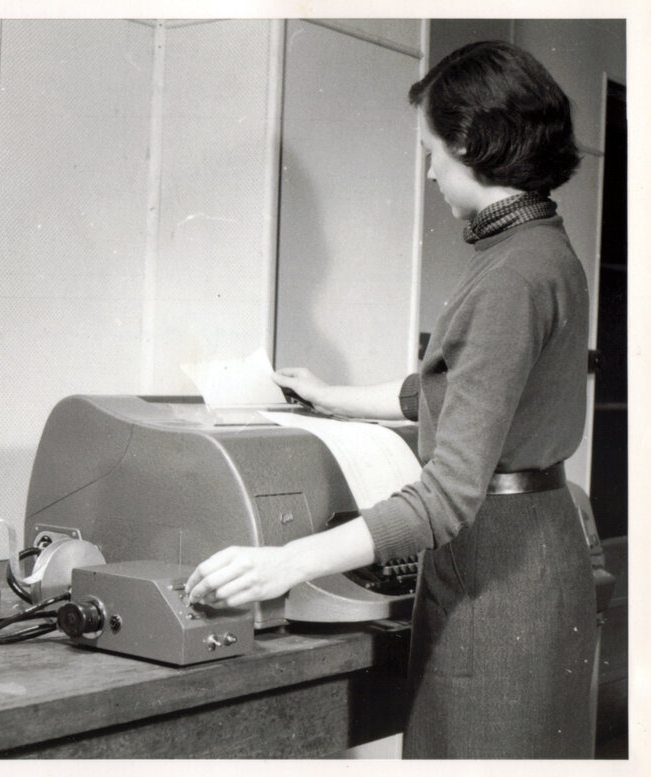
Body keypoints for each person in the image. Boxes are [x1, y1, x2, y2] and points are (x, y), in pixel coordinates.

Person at [185, 40, 597, 759]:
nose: (431, 171)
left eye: (431, 152)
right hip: (535, 552)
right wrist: (326, 395)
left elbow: (444, 497)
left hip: (497, 579)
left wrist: (289, 560)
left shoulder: (508, 277)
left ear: (471, 142)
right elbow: (450, 389)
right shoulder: (541, 246)